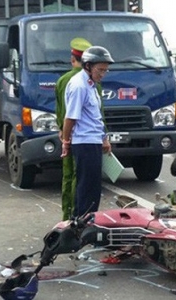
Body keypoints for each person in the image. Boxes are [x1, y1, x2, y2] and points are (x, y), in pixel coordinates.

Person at [61, 46, 113, 217]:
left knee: (93, 187)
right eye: (100, 70)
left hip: (93, 141)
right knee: (86, 188)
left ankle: (88, 221)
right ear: (88, 66)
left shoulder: (91, 85)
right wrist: (66, 142)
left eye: (105, 70)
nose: (103, 74)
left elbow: (95, 116)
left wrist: (104, 138)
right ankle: (81, 224)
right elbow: (70, 118)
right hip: (84, 142)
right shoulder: (79, 86)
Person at [55, 37, 92, 221]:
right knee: (83, 177)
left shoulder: (62, 81)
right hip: (85, 139)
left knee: (68, 175)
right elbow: (98, 112)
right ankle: (80, 216)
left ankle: (66, 215)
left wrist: (63, 133)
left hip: (68, 135)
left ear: (72, 59)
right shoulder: (91, 82)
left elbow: (60, 112)